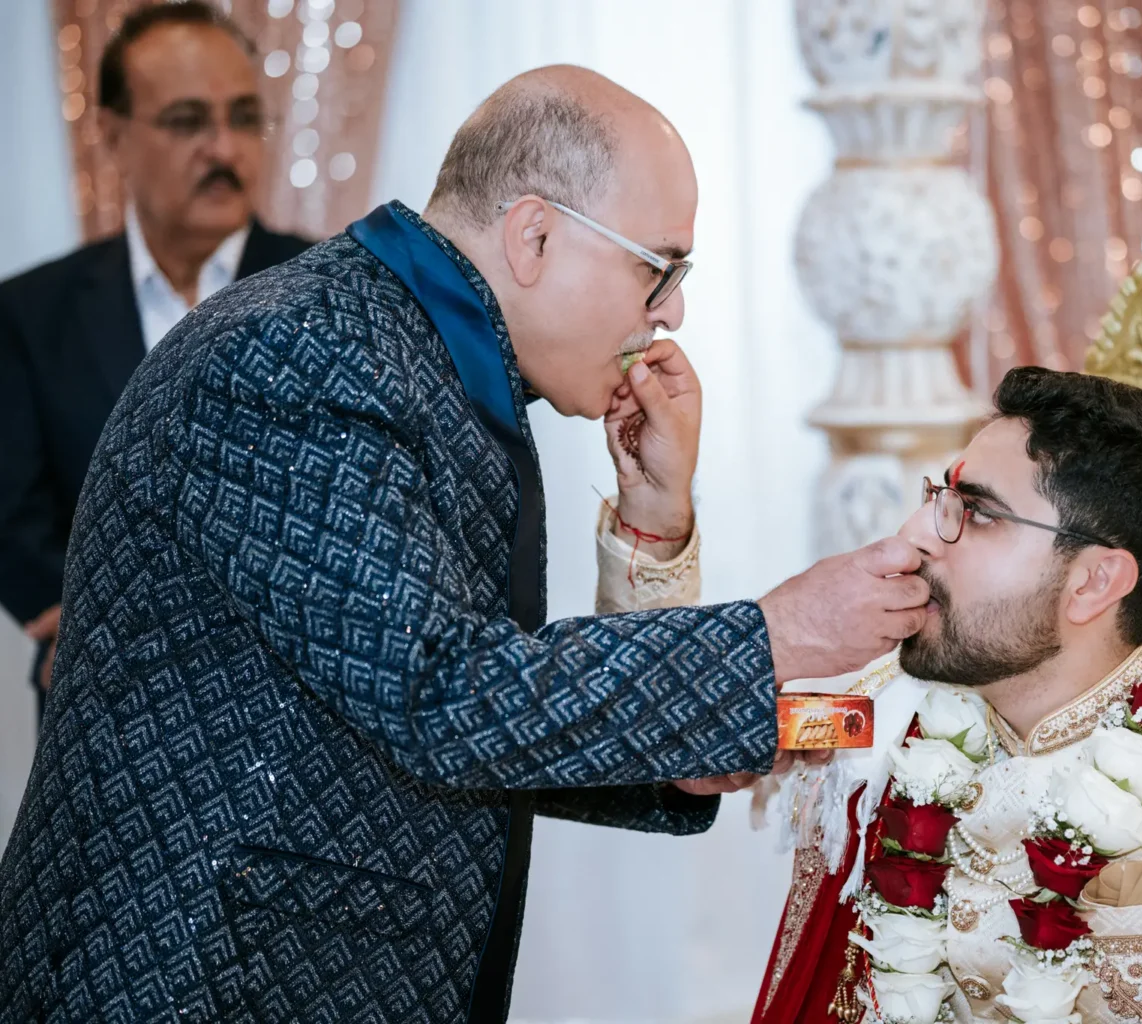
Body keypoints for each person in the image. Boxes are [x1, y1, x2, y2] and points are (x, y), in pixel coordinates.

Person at [0, 61, 930, 1024]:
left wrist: (654, 524)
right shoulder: (305, 355)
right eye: (661, 267)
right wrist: (784, 631)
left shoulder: (408, 350)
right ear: (532, 235)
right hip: (192, 977)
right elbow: (441, 693)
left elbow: (446, 713)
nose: (671, 311)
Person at [754, 367, 1142, 1023]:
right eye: (937, 498)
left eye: (975, 513)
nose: (916, 534)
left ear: (1094, 582)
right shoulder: (879, 720)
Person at [0, 1, 309, 709]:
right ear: (112, 134)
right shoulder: (29, 313)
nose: (224, 150)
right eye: (186, 121)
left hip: (292, 718)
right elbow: (13, 514)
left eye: (242, 118)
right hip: (103, 706)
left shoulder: (334, 293)